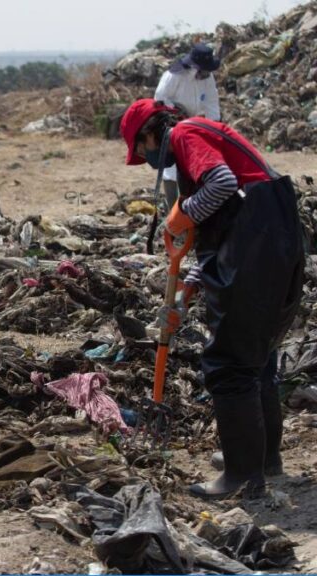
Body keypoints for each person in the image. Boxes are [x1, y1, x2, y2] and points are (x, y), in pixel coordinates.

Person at [120, 98, 303, 499]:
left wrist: (182, 214)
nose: (149, 157)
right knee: (259, 357)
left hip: (256, 241)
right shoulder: (208, 134)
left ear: (151, 133)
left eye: (143, 149)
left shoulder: (185, 134)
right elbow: (215, 243)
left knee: (229, 364)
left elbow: (219, 184)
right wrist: (184, 297)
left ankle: (241, 477)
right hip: (277, 237)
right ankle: (262, 459)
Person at [154, 43, 221, 209]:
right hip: (172, 125)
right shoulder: (175, 74)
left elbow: (212, 102)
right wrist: (176, 112)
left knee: (194, 167)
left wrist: (213, 127)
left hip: (195, 126)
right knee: (171, 170)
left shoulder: (208, 77)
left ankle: (190, 208)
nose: (207, 74)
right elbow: (160, 98)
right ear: (195, 67)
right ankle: (172, 209)